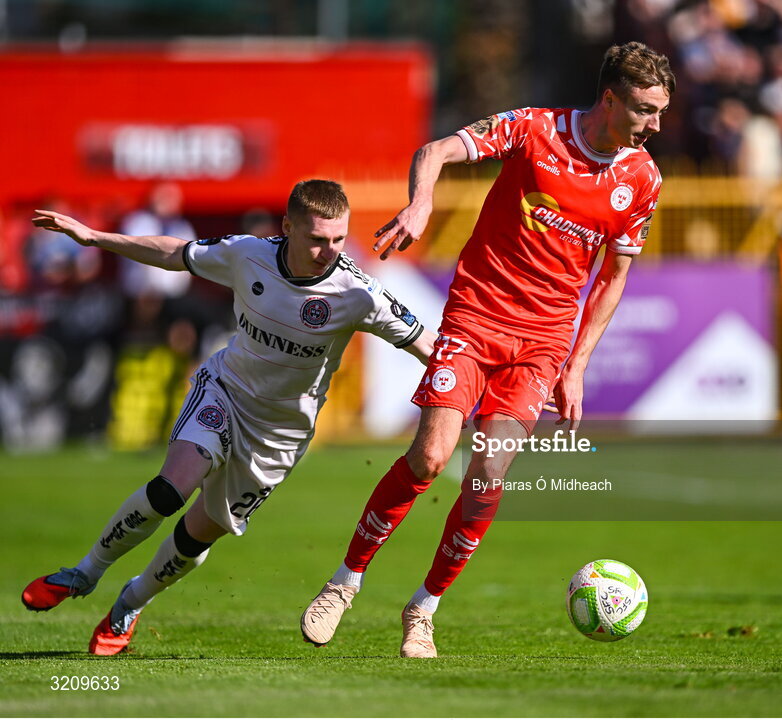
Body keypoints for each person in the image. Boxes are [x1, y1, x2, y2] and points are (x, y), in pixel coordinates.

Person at [300, 42, 674, 658]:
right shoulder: (533, 129)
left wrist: (576, 366)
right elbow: (437, 149)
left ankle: (423, 609)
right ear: (610, 99)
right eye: (644, 110)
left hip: (544, 341)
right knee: (429, 456)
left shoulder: (642, 178)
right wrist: (420, 202)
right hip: (477, 316)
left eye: (660, 111)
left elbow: (613, 277)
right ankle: (345, 582)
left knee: (487, 477)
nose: (655, 125)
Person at [22, 180, 435, 655]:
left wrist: (493, 387)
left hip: (279, 437)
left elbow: (433, 349)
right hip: (226, 392)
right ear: (287, 228)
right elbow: (175, 252)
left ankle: (129, 604)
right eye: (318, 239)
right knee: (168, 489)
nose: (329, 251)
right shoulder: (247, 255)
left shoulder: (359, 293)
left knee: (198, 535)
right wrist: (95, 237)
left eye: (338, 239)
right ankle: (84, 572)